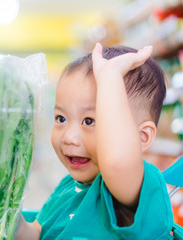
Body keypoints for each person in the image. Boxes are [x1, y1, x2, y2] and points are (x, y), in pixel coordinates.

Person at [16, 43, 173, 239]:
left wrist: (109, 78)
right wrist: (15, 224)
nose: (69, 137)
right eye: (61, 119)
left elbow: (117, 163)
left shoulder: (137, 187)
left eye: (90, 121)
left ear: (141, 137)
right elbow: (40, 233)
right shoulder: (68, 186)